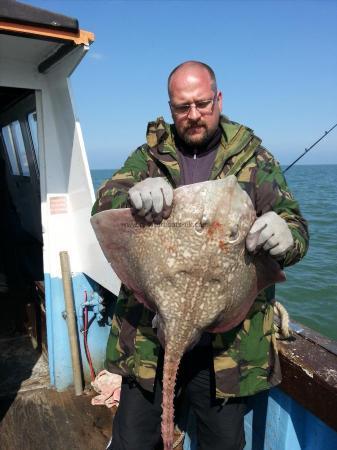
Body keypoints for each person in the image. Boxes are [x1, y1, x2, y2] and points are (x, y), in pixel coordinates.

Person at [92, 61, 309, 450]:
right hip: (148, 336)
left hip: (226, 351)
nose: (193, 115)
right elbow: (103, 206)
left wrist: (286, 237)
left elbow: (296, 229)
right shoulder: (148, 158)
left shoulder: (256, 160)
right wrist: (133, 194)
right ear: (171, 107)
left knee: (222, 444)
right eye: (182, 107)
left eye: (202, 103)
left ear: (218, 99)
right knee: (132, 442)